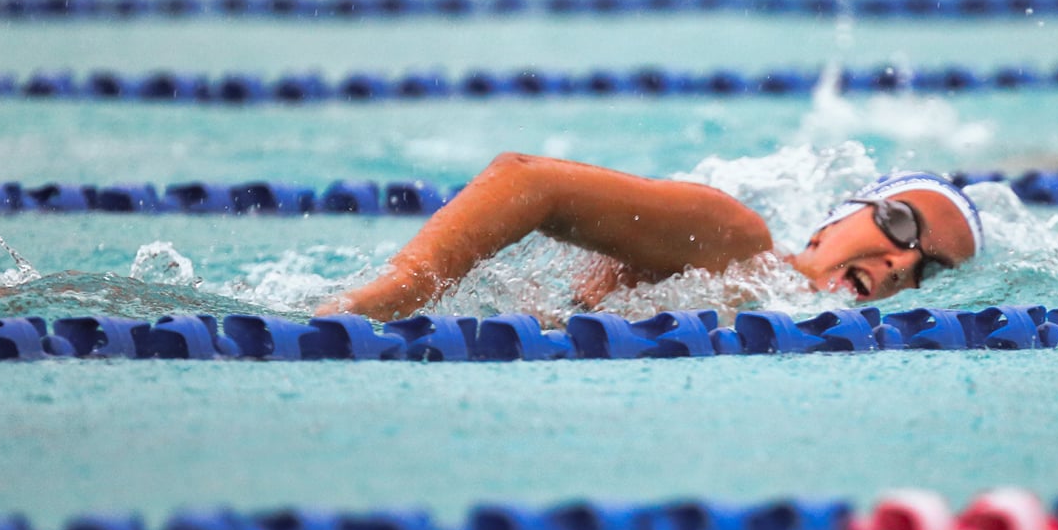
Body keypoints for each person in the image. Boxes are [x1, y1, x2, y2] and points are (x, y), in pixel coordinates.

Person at [319, 153, 981, 322]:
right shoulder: (733, 242)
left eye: (931, 270)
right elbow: (527, 181)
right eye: (900, 223)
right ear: (835, 216)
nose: (901, 263)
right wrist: (400, 289)